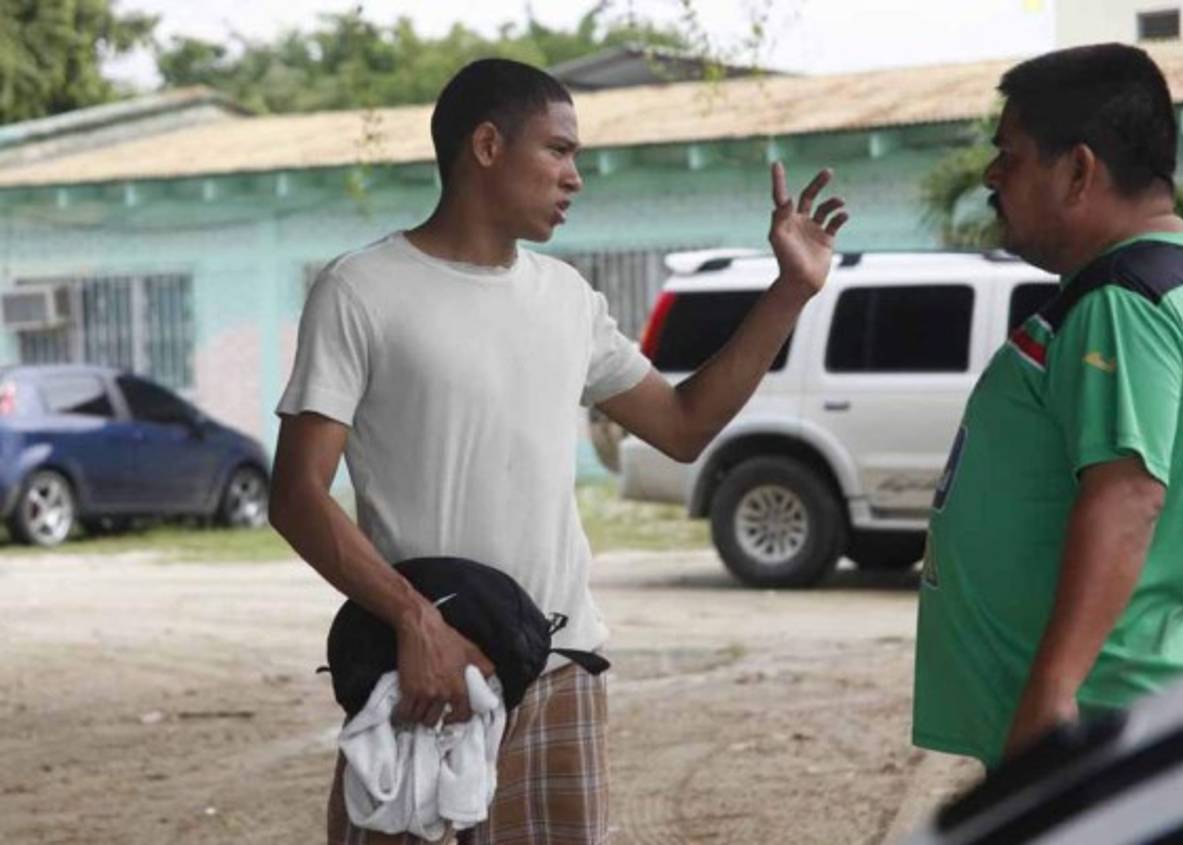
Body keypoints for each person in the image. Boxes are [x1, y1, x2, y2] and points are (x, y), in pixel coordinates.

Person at [268, 57, 848, 844]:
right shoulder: (360, 290)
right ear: (486, 146)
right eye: (558, 150)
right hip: (427, 674)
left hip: (559, 667)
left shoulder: (568, 299)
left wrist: (790, 292)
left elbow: (683, 426)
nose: (575, 176)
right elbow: (297, 494)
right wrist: (416, 621)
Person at [913, 42, 1183, 771]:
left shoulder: (1124, 301)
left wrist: (1051, 695)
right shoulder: (1179, 287)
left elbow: (1128, 496)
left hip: (1103, 715)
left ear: (1078, 171)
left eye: (1009, 156)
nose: (991, 176)